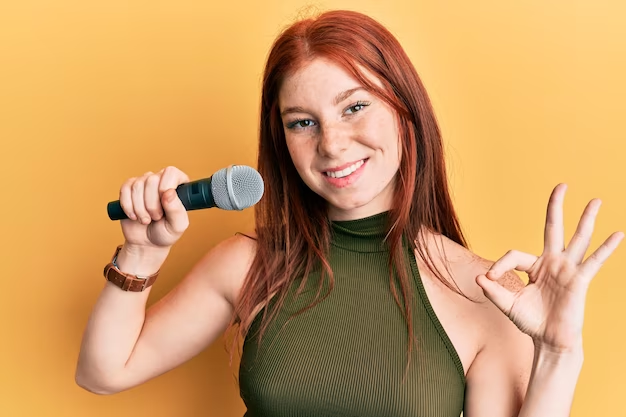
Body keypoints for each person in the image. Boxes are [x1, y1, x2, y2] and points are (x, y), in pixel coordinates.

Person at [75, 10, 623, 417]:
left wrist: (558, 353)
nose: (332, 145)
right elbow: (104, 372)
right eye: (301, 122)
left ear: (405, 113)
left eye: (355, 106)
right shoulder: (249, 264)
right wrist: (142, 250)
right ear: (282, 141)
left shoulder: (486, 293)